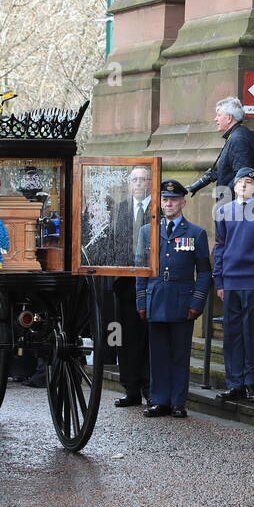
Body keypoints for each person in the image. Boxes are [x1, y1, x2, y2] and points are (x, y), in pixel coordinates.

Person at [135, 180, 212, 418]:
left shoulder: (196, 233)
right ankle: (159, 400)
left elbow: (205, 271)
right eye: (165, 199)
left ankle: (178, 401)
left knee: (180, 353)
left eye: (174, 199)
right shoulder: (147, 231)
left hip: (182, 300)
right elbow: (141, 268)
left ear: (183, 203)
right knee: (157, 354)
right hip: (156, 298)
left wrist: (197, 302)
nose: (169, 204)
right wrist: (141, 301)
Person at [213, 168, 254, 402]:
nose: (243, 186)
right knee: (232, 334)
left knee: (252, 332)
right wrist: (219, 279)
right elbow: (220, 247)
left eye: (249, 182)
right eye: (240, 182)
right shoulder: (223, 212)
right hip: (230, 281)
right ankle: (234, 382)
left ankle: (251, 381)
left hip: (253, 280)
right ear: (233, 186)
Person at [111, 165, 154, 407]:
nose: (138, 184)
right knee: (125, 337)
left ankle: (149, 386)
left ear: (150, 182)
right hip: (125, 282)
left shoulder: (157, 208)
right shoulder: (120, 208)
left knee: (147, 336)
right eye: (134, 180)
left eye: (143, 179)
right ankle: (131, 388)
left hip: (149, 281)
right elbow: (113, 242)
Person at [186, 98, 254, 202]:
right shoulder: (236, 135)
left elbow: (243, 177)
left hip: (235, 206)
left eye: (219, 115)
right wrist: (196, 185)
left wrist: (223, 200)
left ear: (229, 118)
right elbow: (226, 170)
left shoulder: (238, 139)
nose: (215, 119)